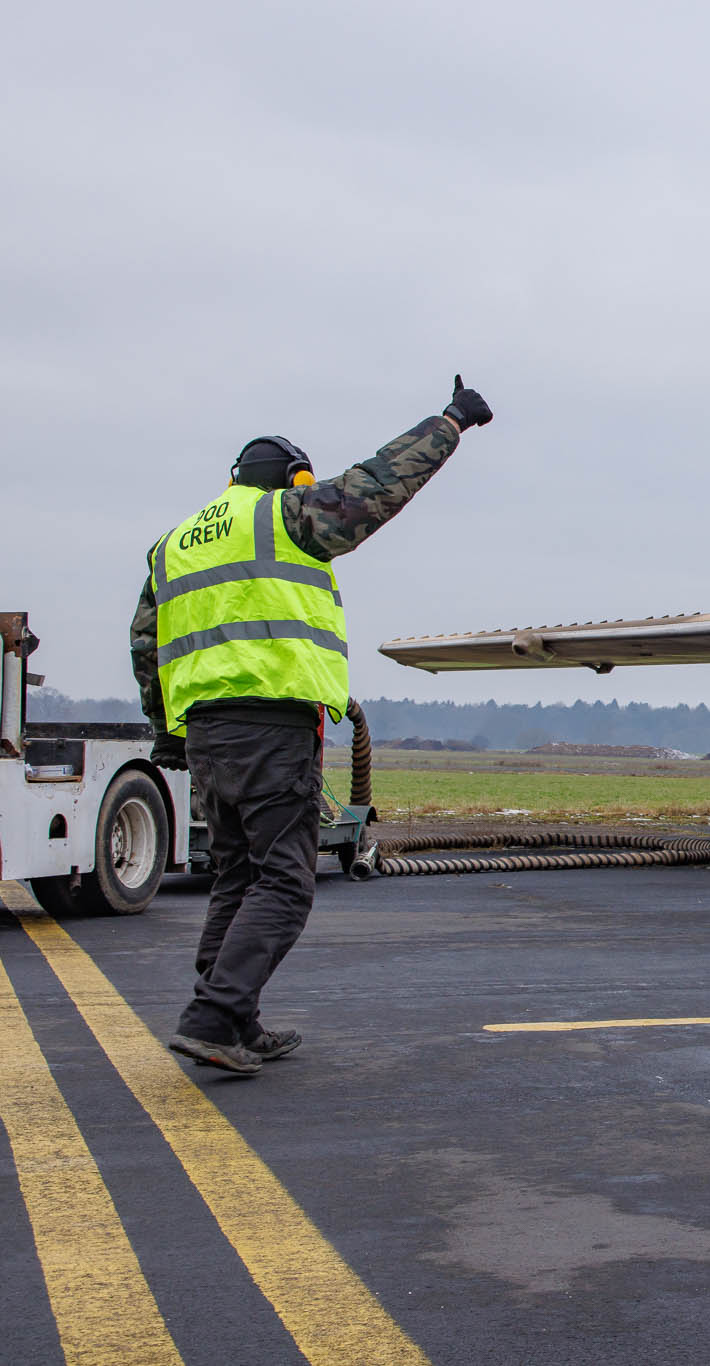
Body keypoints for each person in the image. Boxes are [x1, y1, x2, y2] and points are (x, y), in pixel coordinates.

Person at [133, 377, 493, 1074]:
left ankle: (233, 1022)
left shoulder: (173, 545)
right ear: (289, 479)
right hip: (271, 724)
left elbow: (145, 644)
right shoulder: (286, 516)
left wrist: (167, 732)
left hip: (207, 731)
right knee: (287, 882)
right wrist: (450, 422)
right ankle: (211, 1016)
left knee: (237, 877)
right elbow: (378, 485)